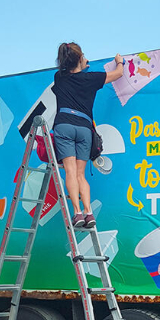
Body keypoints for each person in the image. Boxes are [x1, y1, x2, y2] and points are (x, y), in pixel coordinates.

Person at [53, 42, 123, 228]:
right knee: (81, 174)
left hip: (64, 125)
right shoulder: (91, 78)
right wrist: (120, 62)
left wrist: (80, 65)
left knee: (70, 171)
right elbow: (118, 74)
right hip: (84, 128)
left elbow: (70, 71)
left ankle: (77, 214)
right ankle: (89, 213)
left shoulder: (59, 77)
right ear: (80, 59)